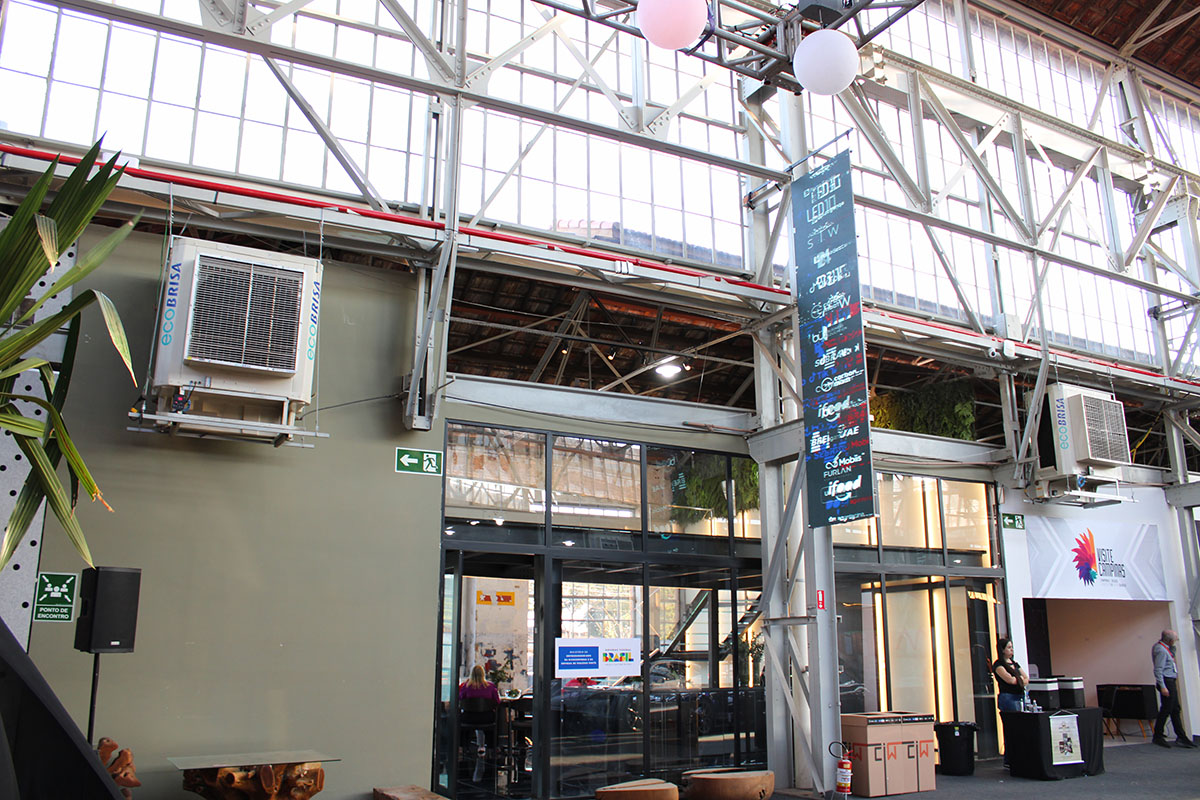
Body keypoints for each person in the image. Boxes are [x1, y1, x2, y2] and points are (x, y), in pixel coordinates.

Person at [1152, 629, 1197, 748]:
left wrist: (1173, 649)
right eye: (1175, 640)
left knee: (1175, 708)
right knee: (1166, 708)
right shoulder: (1161, 650)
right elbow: (1158, 669)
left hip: (1170, 680)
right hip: (1166, 681)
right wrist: (1163, 686)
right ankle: (1158, 735)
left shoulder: (1166, 648)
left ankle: (1181, 735)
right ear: (1170, 640)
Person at [992, 636, 1028, 712]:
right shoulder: (998, 665)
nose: (1012, 649)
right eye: (1009, 647)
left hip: (1020, 696)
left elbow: (1026, 678)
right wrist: (1020, 679)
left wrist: (1019, 679)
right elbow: (1010, 680)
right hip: (1008, 697)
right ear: (1002, 650)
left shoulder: (1015, 664)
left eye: (1012, 647)